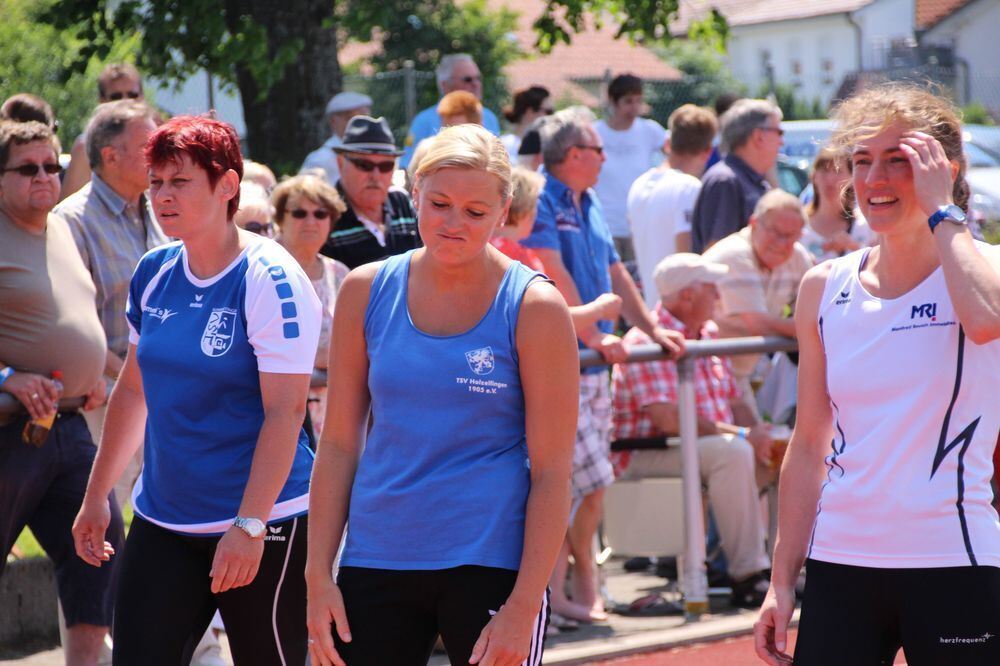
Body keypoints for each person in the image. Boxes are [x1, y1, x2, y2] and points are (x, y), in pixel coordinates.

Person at [305, 124, 577, 666]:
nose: (454, 224)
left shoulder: (535, 307)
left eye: (476, 213)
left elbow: (552, 473)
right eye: (440, 204)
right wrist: (318, 577)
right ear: (414, 195)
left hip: (492, 562)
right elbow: (337, 445)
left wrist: (524, 604)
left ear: (503, 212)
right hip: (377, 557)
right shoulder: (365, 288)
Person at [754, 84, 1000, 666]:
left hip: (953, 559)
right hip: (842, 561)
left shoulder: (984, 270)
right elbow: (809, 443)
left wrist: (945, 212)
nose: (875, 180)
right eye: (862, 161)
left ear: (946, 169)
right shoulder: (824, 285)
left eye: (900, 160)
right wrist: (781, 580)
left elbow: (986, 323)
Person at [71, 115, 322, 666]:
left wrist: (250, 523)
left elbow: (285, 415)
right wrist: (97, 498)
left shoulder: (269, 278)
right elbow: (135, 391)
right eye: (156, 182)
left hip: (264, 519)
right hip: (165, 519)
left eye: (179, 182)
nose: (162, 195)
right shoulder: (155, 271)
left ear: (226, 186)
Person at [521, 107, 685, 623]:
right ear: (573, 156)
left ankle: (579, 580)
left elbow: (615, 270)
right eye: (597, 150)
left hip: (593, 366)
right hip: (563, 363)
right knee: (564, 483)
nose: (604, 158)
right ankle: (555, 592)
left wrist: (652, 328)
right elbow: (550, 269)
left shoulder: (586, 199)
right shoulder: (542, 197)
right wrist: (591, 333)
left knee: (589, 482)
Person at [0, 119, 124, 665]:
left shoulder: (60, 230)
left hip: (69, 425)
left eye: (52, 166)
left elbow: (74, 322)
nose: (45, 177)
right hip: (8, 430)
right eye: (28, 168)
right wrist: (6, 377)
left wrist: (91, 376)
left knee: (98, 550)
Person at [612, 253, 773, 608]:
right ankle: (748, 575)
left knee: (784, 446)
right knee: (734, 452)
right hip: (646, 453)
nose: (719, 295)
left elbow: (735, 398)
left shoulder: (709, 332)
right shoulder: (645, 341)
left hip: (697, 447)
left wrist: (758, 431)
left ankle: (789, 570)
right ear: (687, 296)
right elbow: (670, 420)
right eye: (711, 288)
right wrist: (744, 435)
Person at [53, 99, 168, 510]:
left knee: (167, 522)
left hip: (165, 391)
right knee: (104, 524)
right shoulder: (71, 221)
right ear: (110, 155)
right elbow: (71, 319)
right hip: (107, 398)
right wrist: (132, 379)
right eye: (148, 145)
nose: (159, 155)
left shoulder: (160, 211)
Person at [702, 189, 812, 418]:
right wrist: (805, 327)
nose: (782, 243)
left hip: (734, 374)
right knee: (740, 447)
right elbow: (757, 325)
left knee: (755, 445)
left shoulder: (797, 255)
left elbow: (819, 310)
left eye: (791, 236)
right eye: (776, 232)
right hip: (701, 373)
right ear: (754, 224)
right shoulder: (734, 255)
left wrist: (810, 323)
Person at [271, 174, 349, 440]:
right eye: (300, 213)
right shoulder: (261, 268)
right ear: (281, 218)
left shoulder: (340, 274)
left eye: (320, 213)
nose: (311, 221)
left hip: (330, 412)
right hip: (273, 407)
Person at [628, 104, 717, 308]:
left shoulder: (638, 185)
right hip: (680, 311)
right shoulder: (689, 188)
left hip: (653, 308)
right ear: (707, 151)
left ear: (668, 143)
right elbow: (686, 259)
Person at [319, 115, 420, 269]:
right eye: (364, 165)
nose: (376, 175)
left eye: (386, 166)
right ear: (341, 164)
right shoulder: (322, 214)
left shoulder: (402, 202)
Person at [691, 99, 783, 253]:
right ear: (758, 136)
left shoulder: (749, 181)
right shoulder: (725, 181)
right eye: (779, 132)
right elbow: (717, 254)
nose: (782, 141)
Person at [594, 74, 668, 263]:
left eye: (638, 101)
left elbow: (675, 156)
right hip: (605, 223)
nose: (634, 108)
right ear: (613, 101)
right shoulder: (595, 133)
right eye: (628, 101)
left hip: (641, 223)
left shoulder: (650, 130)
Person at [400, 54, 502, 168]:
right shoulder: (423, 120)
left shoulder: (489, 117)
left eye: (478, 78)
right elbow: (408, 164)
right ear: (444, 85)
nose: (476, 84)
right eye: (467, 79)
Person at [62, 63, 146, 200]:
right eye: (116, 97)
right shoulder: (85, 147)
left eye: (132, 95)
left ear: (142, 98)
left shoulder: (153, 141)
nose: (125, 102)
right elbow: (66, 213)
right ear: (102, 101)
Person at [800, 146, 874, 262]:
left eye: (838, 171)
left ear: (851, 178)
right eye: (824, 170)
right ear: (814, 177)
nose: (830, 178)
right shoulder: (798, 224)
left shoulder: (865, 225)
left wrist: (853, 247)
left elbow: (879, 265)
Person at [300, 91, 373, 185]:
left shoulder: (379, 155)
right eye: (349, 118)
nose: (359, 124)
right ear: (333, 121)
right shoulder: (320, 160)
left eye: (364, 117)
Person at [501, 86, 553, 159]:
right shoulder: (505, 145)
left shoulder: (546, 146)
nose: (551, 117)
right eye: (549, 112)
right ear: (530, 111)